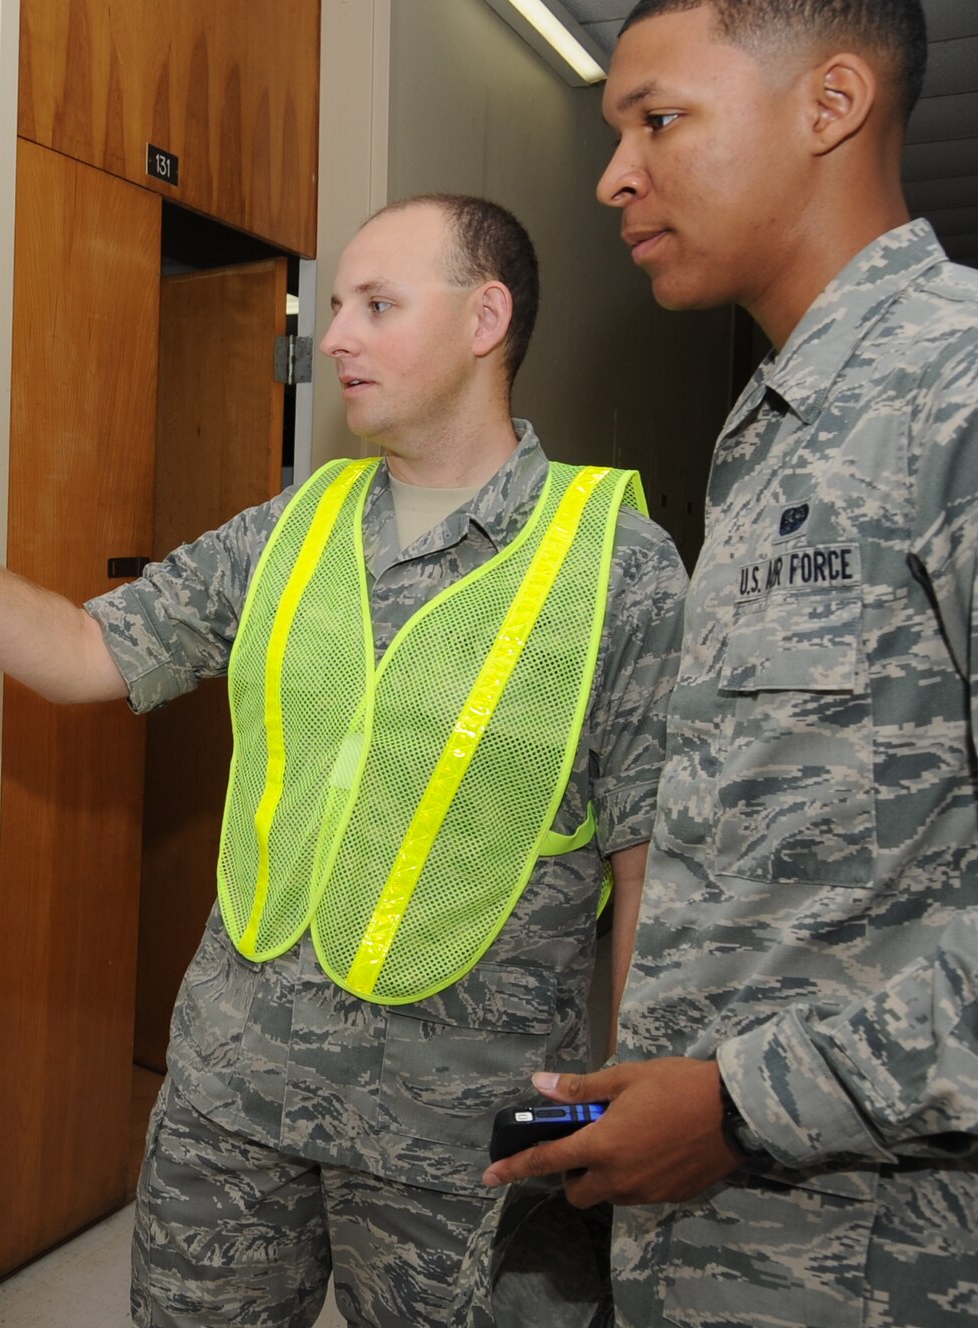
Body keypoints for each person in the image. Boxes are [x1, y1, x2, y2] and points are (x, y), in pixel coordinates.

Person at [0, 194, 687, 1327]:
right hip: (230, 1097)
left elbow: (650, 857)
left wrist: (637, 1092)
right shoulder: (289, 529)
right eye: (335, 303)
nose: (333, 334)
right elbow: (78, 648)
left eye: (375, 305)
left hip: (460, 1141)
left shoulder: (616, 566)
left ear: (484, 317)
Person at [480, 2, 978, 1324]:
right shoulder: (777, 429)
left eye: (659, 118)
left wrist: (748, 1105)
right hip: (717, 1245)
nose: (612, 176)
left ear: (829, 107)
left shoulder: (957, 392)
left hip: (879, 1260)